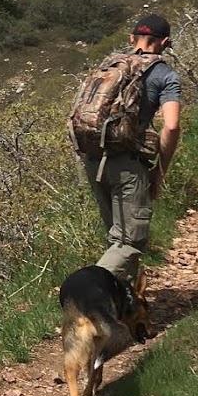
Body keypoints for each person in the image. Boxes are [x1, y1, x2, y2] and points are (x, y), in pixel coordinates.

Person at [82, 14, 181, 281]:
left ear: (131, 39)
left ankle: (122, 309)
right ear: (166, 42)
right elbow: (171, 127)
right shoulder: (165, 74)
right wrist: (159, 172)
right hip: (128, 164)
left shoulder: (109, 66)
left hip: (93, 159)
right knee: (129, 243)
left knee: (117, 239)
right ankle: (87, 293)